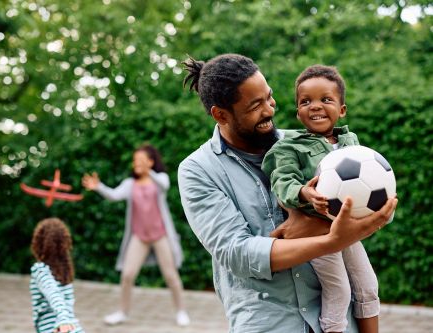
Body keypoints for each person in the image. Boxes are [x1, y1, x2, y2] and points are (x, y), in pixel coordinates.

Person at [178, 53, 397, 333]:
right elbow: (237, 253)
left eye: (269, 97)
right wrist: (330, 240)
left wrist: (313, 227)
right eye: (255, 105)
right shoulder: (198, 170)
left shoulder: (307, 144)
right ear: (221, 114)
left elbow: (375, 209)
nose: (270, 110)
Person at [262, 64, 381, 333]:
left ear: (342, 110)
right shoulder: (288, 148)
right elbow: (283, 181)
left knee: (368, 285)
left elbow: (372, 178)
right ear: (298, 112)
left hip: (346, 229)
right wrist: (305, 192)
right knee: (339, 289)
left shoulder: (351, 143)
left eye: (325, 99)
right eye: (306, 101)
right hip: (315, 232)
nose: (315, 106)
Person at [81, 144, 190, 326]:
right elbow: (114, 195)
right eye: (135, 161)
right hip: (139, 237)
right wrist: (98, 186)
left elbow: (165, 185)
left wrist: (149, 171)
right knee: (127, 275)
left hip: (160, 235)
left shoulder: (159, 180)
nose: (136, 164)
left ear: (150, 162)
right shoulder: (130, 184)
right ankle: (122, 312)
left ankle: (181, 312)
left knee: (171, 276)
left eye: (140, 160)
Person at [30, 217, 84, 333]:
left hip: (54, 328)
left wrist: (63, 318)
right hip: (73, 327)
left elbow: (53, 293)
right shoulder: (65, 272)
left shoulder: (40, 269)